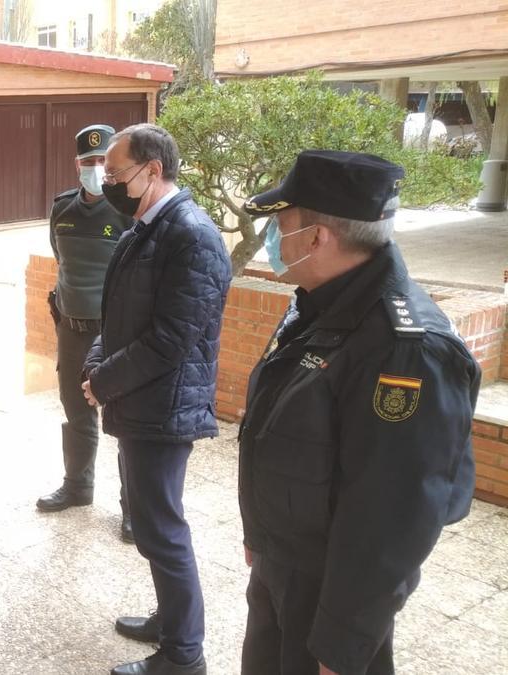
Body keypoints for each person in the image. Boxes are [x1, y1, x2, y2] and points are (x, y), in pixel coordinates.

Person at [237, 150, 478, 675]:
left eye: (281, 224)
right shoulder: (320, 301)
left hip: (331, 592)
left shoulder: (403, 349)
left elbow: (392, 517)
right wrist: (261, 535)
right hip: (284, 564)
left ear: (318, 237)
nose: (275, 240)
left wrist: (342, 643)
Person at [82, 123, 230, 675]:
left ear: (152, 170)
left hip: (163, 408)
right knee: (147, 522)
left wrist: (104, 381)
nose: (110, 182)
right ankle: (170, 621)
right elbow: (117, 318)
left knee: (163, 530)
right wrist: (97, 365)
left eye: (118, 173)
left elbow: (172, 338)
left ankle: (183, 654)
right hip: (137, 401)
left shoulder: (191, 235)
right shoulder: (144, 228)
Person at [36, 124, 135, 543]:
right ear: (77, 165)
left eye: (102, 163)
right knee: (76, 411)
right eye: (88, 162)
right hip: (72, 329)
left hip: (115, 333)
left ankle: (134, 508)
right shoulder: (63, 209)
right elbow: (62, 261)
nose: (96, 169)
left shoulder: (128, 211)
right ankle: (78, 487)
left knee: (126, 421)